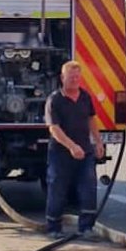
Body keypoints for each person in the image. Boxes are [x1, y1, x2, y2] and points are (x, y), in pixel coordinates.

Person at [44, 60, 104, 239]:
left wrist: (98, 142)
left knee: (89, 187)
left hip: (85, 151)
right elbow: (54, 128)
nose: (74, 80)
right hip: (61, 153)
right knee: (58, 187)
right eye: (71, 77)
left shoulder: (85, 97)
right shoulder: (54, 100)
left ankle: (86, 228)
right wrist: (71, 146)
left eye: (77, 77)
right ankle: (54, 227)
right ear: (62, 78)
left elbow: (91, 119)